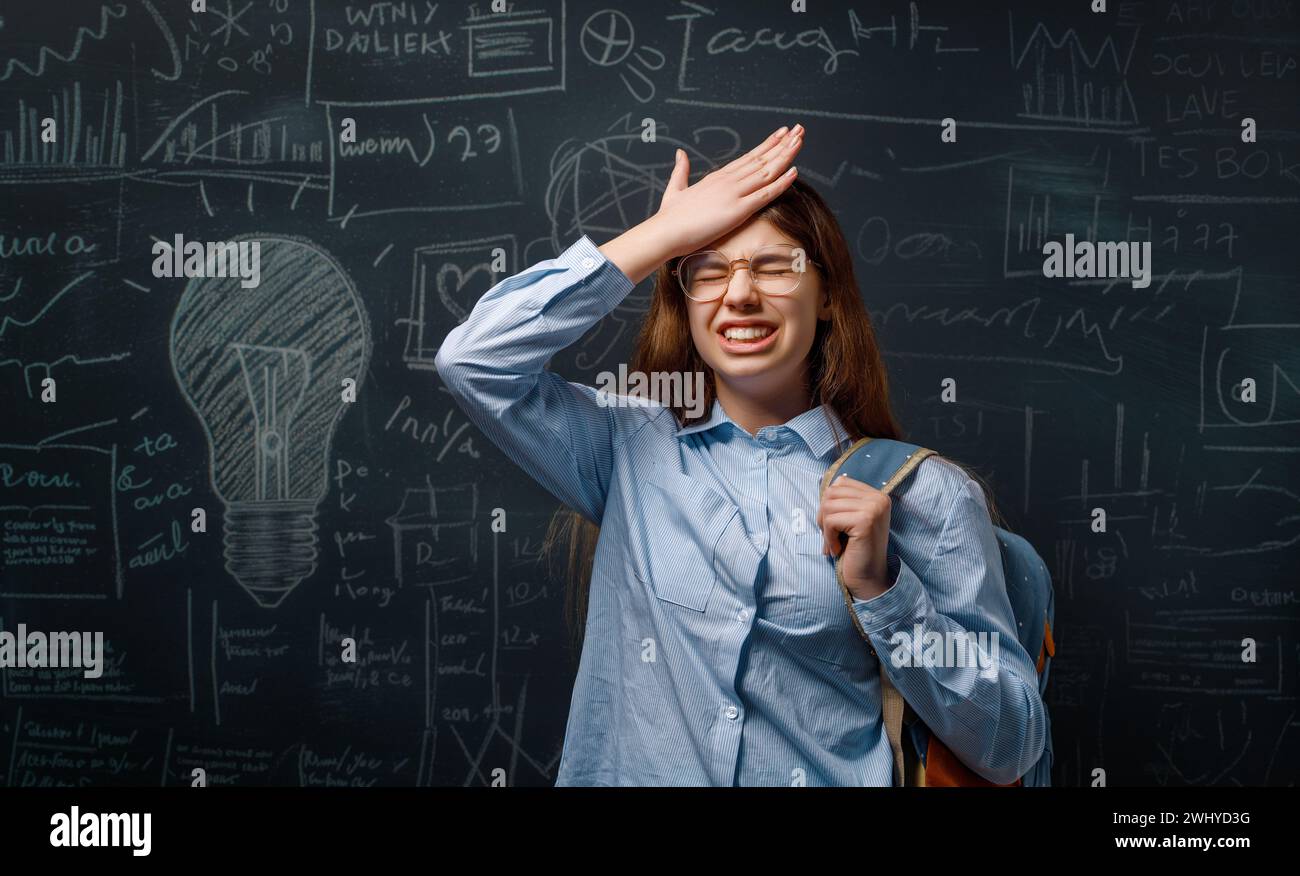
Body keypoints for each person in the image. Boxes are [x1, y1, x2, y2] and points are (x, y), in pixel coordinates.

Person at [435, 124, 1047, 786]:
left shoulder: (926, 496)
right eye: (709, 271)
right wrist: (660, 239)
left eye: (777, 266)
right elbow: (474, 361)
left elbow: (1011, 742)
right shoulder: (628, 449)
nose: (739, 294)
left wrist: (886, 593)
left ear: (829, 300)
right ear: (687, 301)